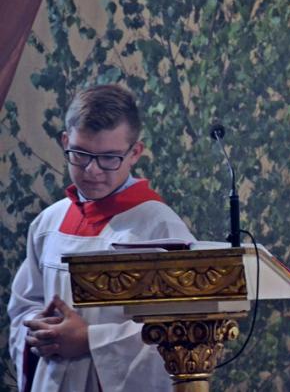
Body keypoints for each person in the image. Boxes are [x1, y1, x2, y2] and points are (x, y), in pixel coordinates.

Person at [8, 84, 195, 391]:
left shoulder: (160, 229)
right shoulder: (48, 223)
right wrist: (38, 330)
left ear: (135, 153)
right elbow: (24, 305)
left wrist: (90, 340)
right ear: (65, 141)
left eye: (109, 158)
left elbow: (182, 331)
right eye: (80, 154)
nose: (92, 170)